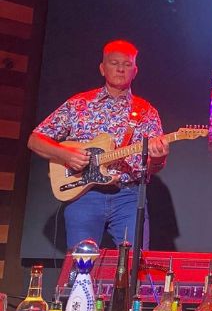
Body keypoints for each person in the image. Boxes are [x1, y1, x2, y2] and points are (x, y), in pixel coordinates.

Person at [28, 39, 169, 250]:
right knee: (81, 265)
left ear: (135, 70)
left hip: (128, 197)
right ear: (102, 68)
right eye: (114, 63)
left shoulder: (147, 112)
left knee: (134, 267)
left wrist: (158, 157)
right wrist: (65, 155)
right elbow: (35, 139)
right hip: (84, 195)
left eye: (127, 64)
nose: (121, 69)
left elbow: (152, 167)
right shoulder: (79, 104)